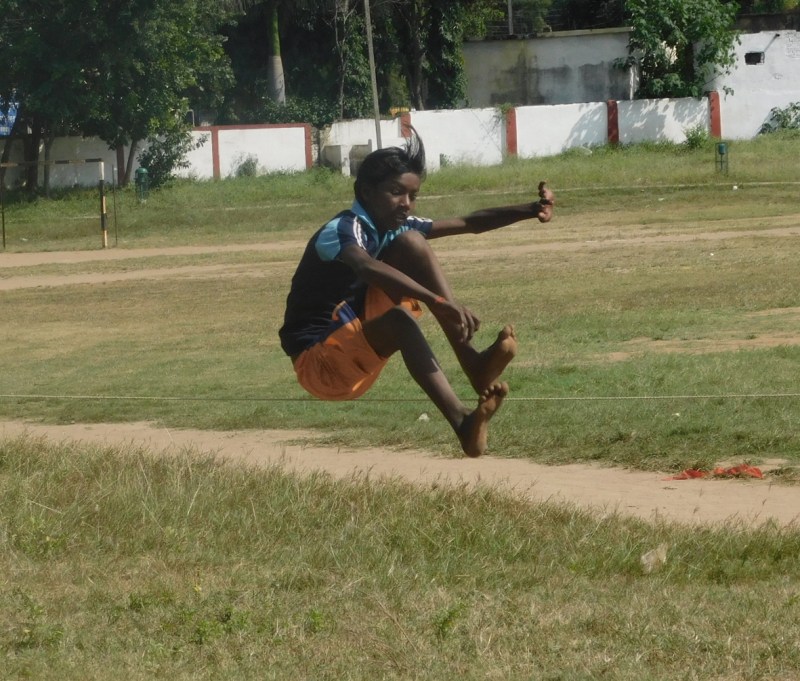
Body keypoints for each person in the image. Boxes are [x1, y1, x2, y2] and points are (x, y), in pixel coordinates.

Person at [279, 131, 554, 457]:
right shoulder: (342, 229)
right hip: (320, 364)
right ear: (366, 191)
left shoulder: (393, 225)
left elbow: (468, 222)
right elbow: (366, 267)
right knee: (400, 320)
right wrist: (436, 300)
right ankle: (463, 423)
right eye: (396, 193)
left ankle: (474, 364)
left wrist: (530, 209)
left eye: (413, 195)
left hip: (352, 342)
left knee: (412, 243)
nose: (406, 204)